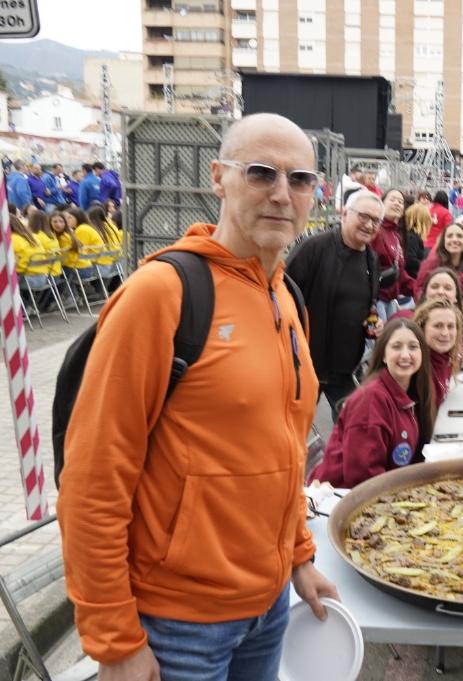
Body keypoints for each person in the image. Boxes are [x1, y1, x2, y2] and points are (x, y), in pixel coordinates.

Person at [57, 113, 339, 681]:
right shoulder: (162, 295)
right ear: (218, 178)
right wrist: (115, 642)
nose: (282, 194)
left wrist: (298, 556)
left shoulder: (286, 298)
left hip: (267, 613)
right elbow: (92, 481)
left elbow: (281, 452)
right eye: (262, 173)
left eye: (301, 179)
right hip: (176, 628)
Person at [286, 189, 382, 420]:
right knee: (294, 428)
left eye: (376, 221)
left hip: (346, 367)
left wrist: (374, 321)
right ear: (345, 214)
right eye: (364, 217)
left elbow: (366, 303)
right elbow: (283, 294)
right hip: (308, 363)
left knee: (351, 428)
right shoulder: (314, 248)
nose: (369, 225)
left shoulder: (371, 259)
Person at [307, 318, 436, 488]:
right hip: (338, 498)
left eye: (413, 347)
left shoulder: (414, 392)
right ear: (383, 354)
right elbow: (363, 478)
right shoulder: (371, 401)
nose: (405, 355)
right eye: (396, 346)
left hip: (385, 488)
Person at [413, 298, 463, 404]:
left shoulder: (448, 357)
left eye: (450, 326)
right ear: (422, 328)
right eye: (438, 326)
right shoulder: (415, 366)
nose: (445, 333)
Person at [374, 188, 415, 315]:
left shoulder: (397, 236)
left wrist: (420, 288)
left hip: (391, 301)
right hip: (377, 301)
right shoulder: (375, 231)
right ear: (382, 203)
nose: (397, 203)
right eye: (392, 200)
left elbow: (400, 273)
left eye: (400, 202)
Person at [415, 222, 463, 295]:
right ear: (443, 241)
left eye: (459, 236)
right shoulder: (432, 263)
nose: (454, 239)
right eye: (449, 236)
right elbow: (418, 290)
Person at [402, 201, 429, 280]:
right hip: (411, 278)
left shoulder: (409, 234)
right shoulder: (412, 237)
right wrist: (426, 266)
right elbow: (410, 260)